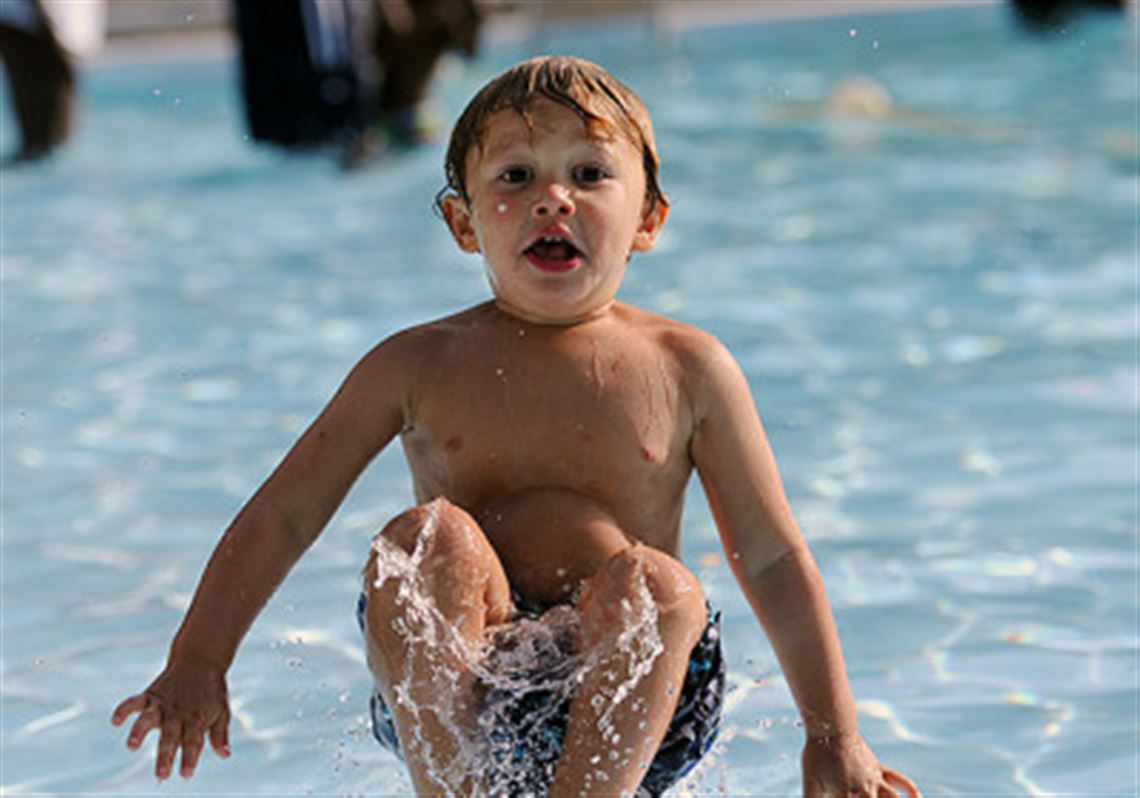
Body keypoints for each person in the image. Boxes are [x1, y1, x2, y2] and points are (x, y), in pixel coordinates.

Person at [111, 55, 922, 797]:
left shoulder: (688, 367)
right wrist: (199, 660)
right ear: (465, 225)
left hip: (638, 706)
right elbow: (285, 512)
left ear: (648, 220)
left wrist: (832, 734)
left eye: (590, 173)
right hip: (462, 697)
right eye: (517, 175)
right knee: (426, 540)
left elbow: (774, 557)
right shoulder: (416, 365)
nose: (552, 197)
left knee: (658, 586)